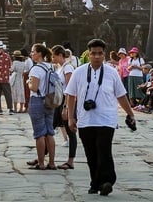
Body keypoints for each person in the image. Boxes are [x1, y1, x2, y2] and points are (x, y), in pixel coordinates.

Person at [64, 38, 136, 197]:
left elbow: (121, 95)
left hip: (106, 119)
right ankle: (95, 183)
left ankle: (107, 181)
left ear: (104, 55)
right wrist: (70, 117)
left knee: (104, 151)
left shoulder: (112, 73)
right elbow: (71, 95)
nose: (96, 56)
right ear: (88, 55)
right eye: (93, 53)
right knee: (91, 153)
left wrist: (130, 113)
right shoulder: (79, 72)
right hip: (85, 120)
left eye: (100, 54)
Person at [27, 43, 57, 170]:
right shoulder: (51, 67)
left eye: (33, 51)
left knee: (39, 133)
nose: (31, 53)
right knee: (50, 132)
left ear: (39, 53)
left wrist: (28, 82)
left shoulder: (36, 69)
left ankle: (41, 163)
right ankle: (51, 162)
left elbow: (34, 87)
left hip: (37, 100)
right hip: (50, 101)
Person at [52, 45, 77, 170]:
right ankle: (44, 155)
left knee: (70, 130)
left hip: (65, 101)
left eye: (54, 55)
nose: (52, 58)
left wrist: (67, 107)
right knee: (50, 128)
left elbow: (70, 89)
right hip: (59, 101)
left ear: (61, 55)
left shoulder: (68, 68)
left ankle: (70, 160)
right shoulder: (59, 68)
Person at [10, 49, 28, 113]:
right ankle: (21, 108)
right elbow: (25, 71)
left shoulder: (14, 62)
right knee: (21, 93)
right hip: (21, 78)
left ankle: (15, 109)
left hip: (15, 79)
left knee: (15, 93)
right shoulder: (23, 63)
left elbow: (11, 70)